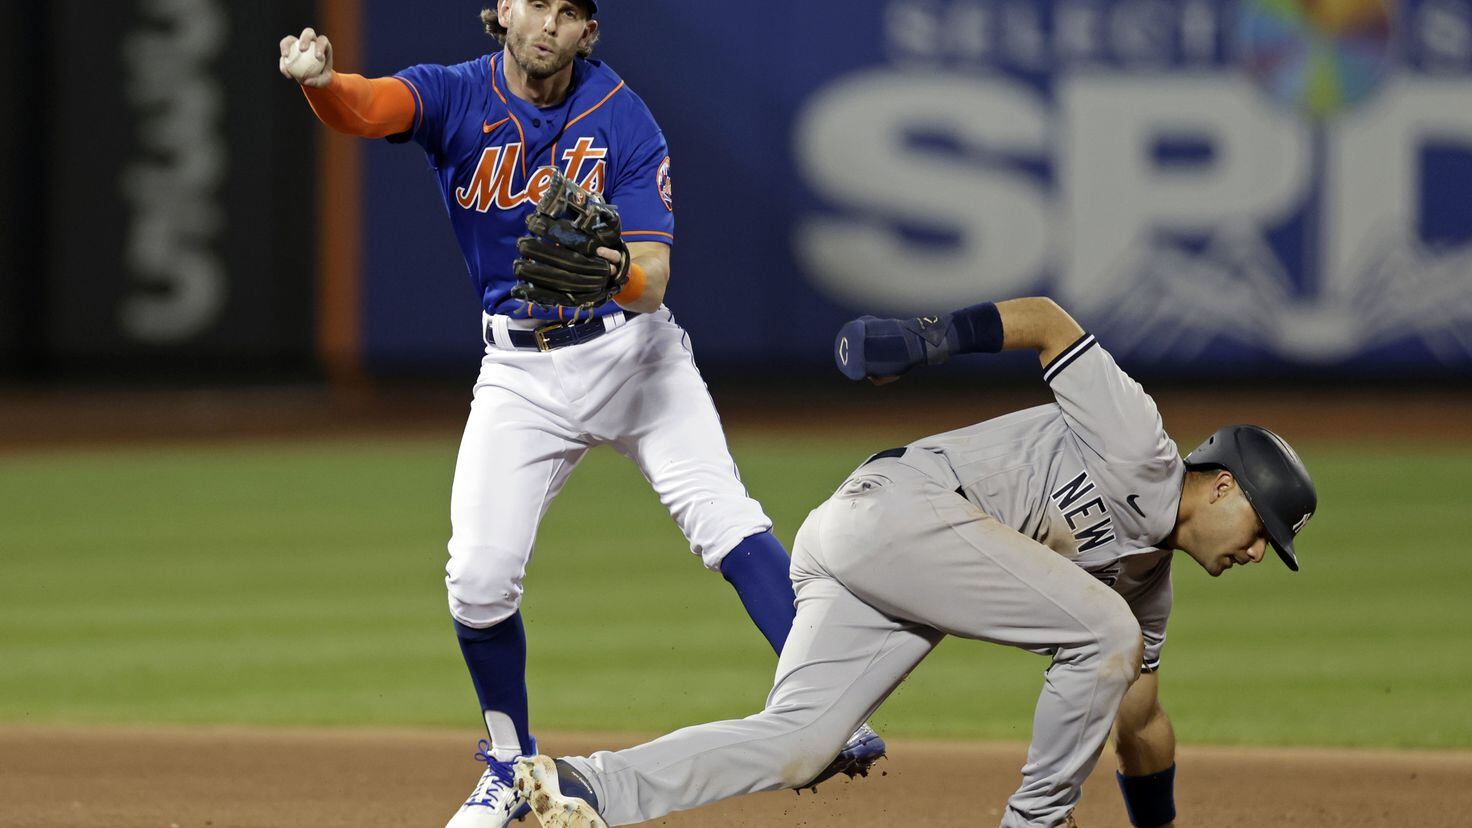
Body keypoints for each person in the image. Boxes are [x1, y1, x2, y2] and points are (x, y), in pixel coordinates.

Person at [276, 3, 883, 826]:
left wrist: (612, 277)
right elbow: (370, 105)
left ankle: (834, 701)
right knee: (478, 578)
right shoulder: (456, 95)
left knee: (726, 521)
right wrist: (321, 85)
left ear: (587, 31)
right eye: (536, 2)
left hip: (634, 356)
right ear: (502, 11)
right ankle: (508, 765)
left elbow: (655, 277)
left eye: (570, 11)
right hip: (519, 373)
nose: (550, 22)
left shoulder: (624, 119)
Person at [510, 296, 1319, 828]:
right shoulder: (1139, 443)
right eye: (1261, 527)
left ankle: (584, 788)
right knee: (1102, 629)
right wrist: (928, 341)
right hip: (897, 508)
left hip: (873, 552)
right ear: (1220, 486)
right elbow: (1046, 321)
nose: (1256, 551)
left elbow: (1138, 726)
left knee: (803, 743)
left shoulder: (1147, 591)